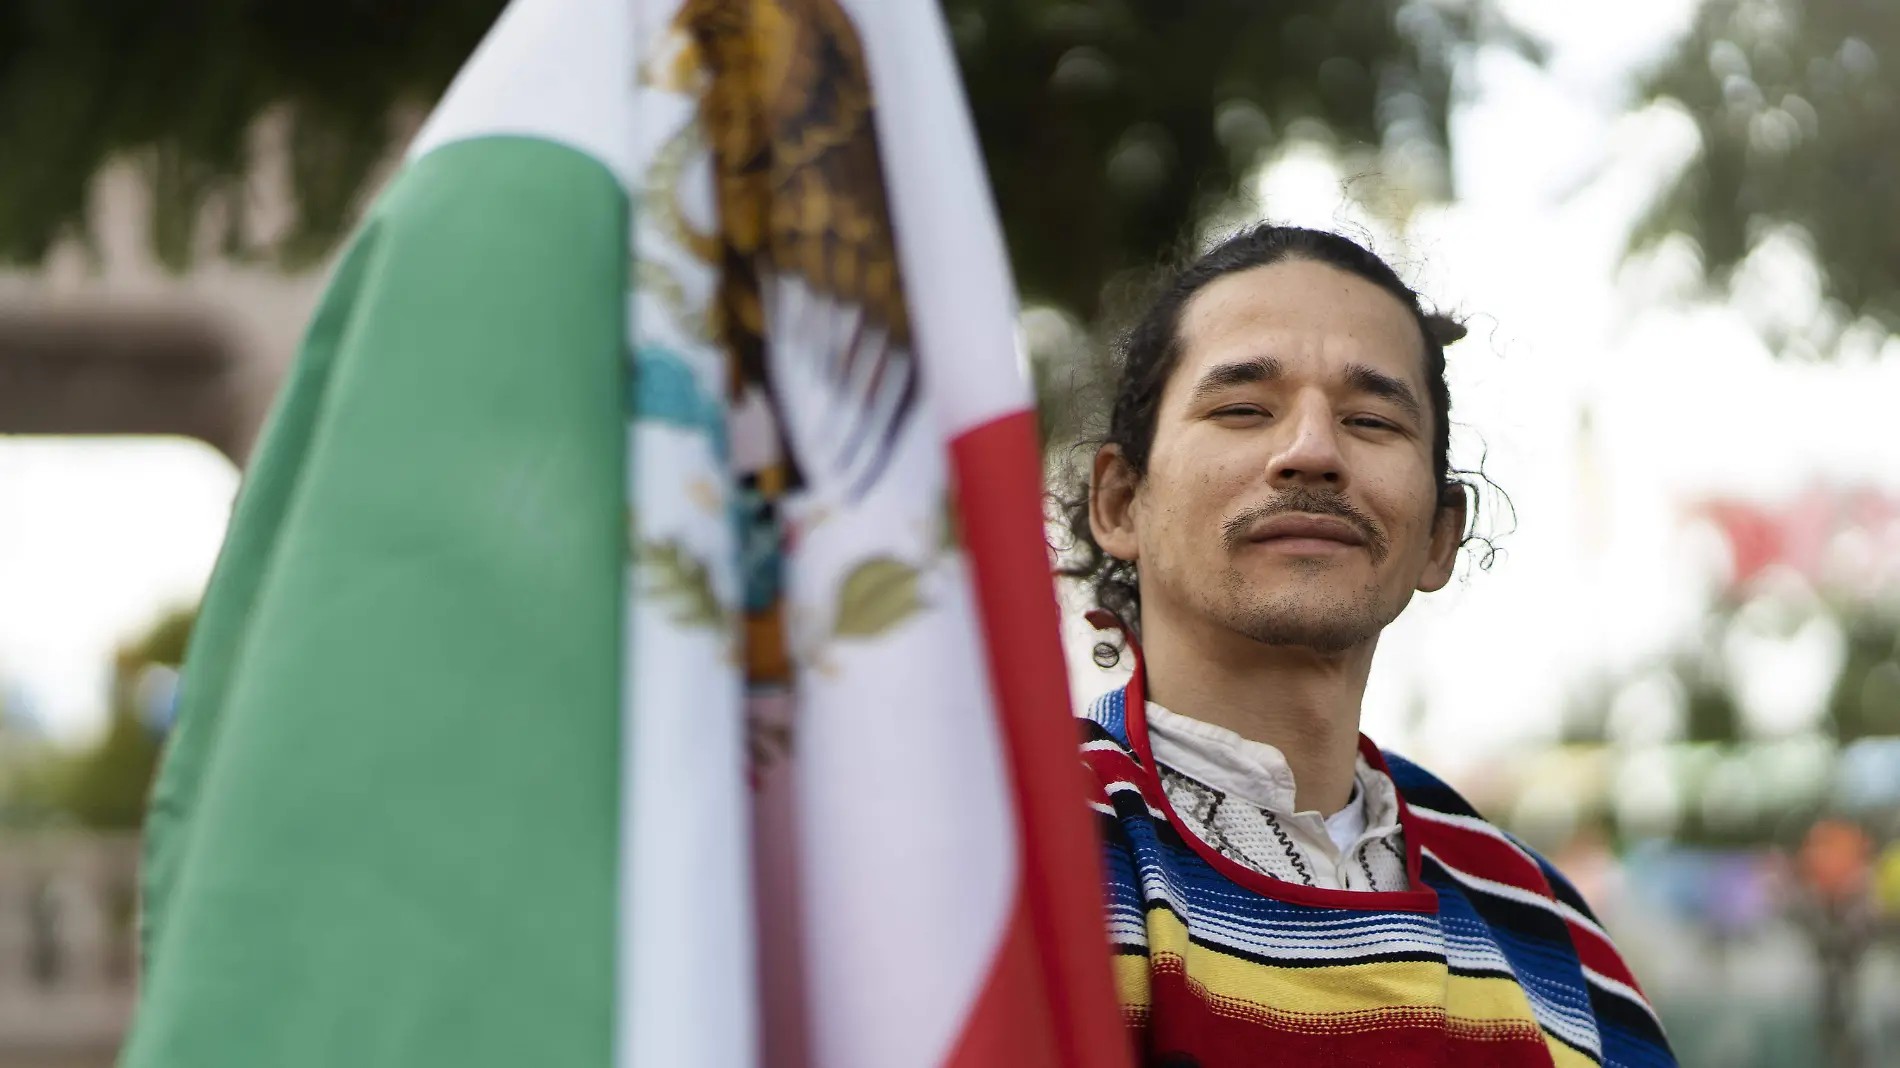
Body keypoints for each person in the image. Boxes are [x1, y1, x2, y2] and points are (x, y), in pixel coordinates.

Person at [1057, 225, 1675, 1067]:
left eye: (1372, 419)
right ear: (1122, 502)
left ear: (1438, 537)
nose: (1311, 451)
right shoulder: (1021, 857)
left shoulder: (1545, 936)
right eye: (1244, 408)